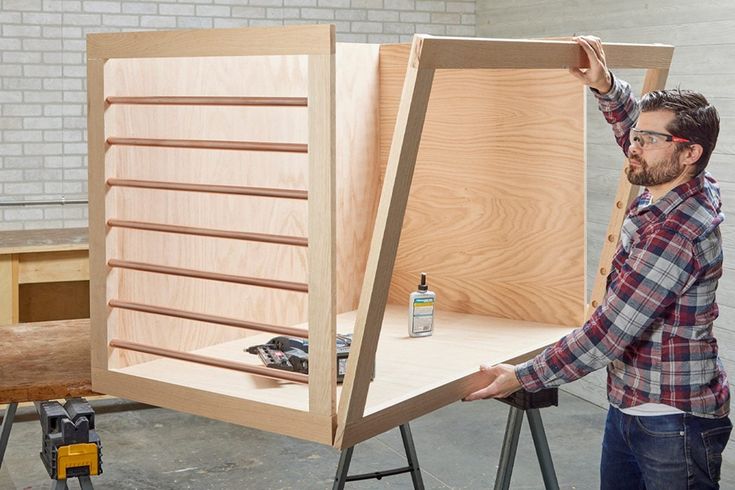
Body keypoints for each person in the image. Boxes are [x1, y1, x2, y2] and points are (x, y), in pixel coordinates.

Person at [464, 36, 732, 489]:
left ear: (690, 153)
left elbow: (609, 334)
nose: (635, 145)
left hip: (671, 419)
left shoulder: (679, 231)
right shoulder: (679, 183)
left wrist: (522, 377)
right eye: (638, 135)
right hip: (631, 402)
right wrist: (607, 86)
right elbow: (638, 137)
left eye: (651, 139)